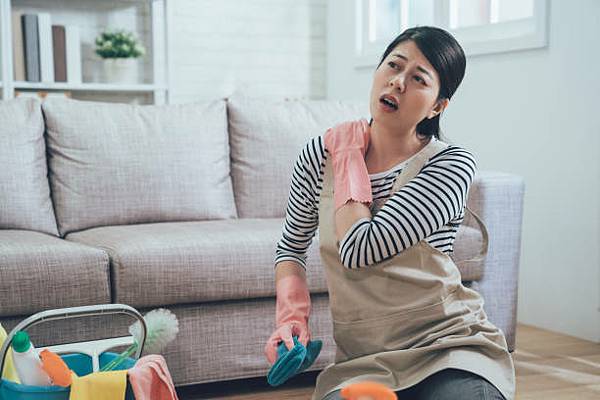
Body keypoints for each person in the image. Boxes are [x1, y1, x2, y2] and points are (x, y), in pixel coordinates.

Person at [265, 26, 515, 400]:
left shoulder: (450, 164)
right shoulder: (319, 154)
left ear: (437, 106)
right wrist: (291, 317)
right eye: (393, 66)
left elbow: (359, 250)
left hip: (449, 348)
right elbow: (291, 249)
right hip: (363, 360)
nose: (398, 82)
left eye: (418, 79)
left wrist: (348, 157)